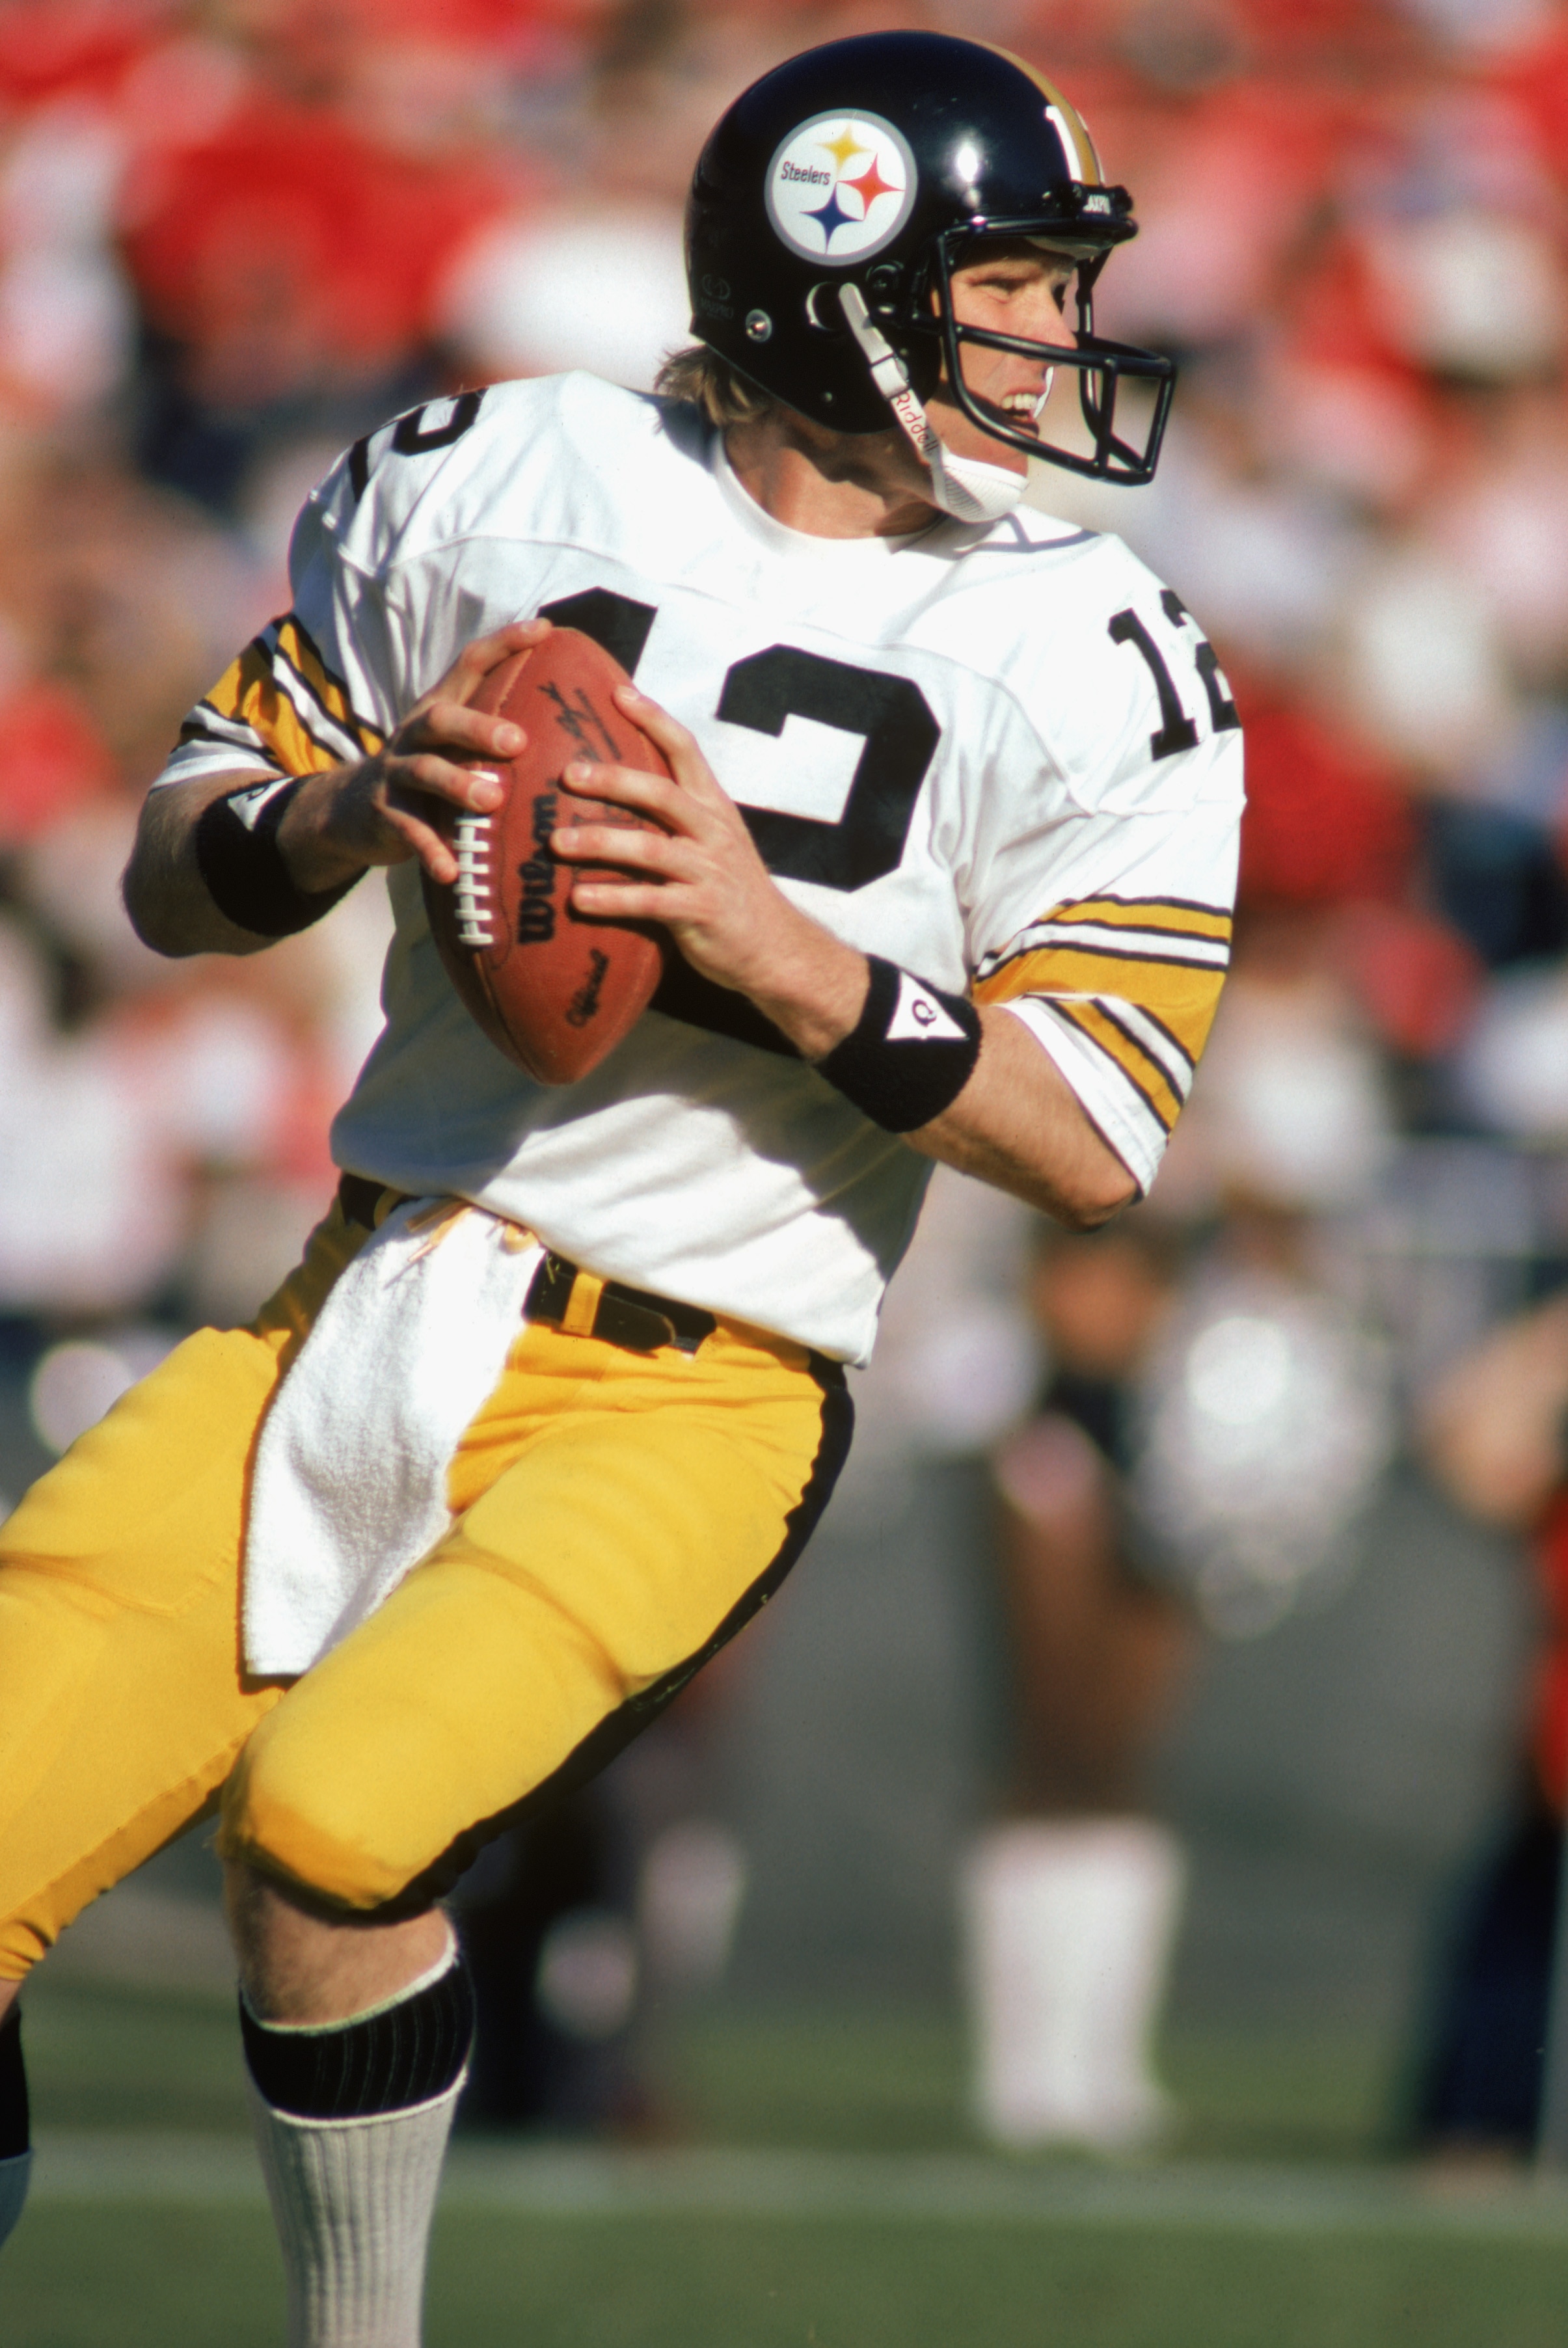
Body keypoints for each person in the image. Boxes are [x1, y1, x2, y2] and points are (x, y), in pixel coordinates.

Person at [0, 32, 1243, 2343]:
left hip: (695, 1378)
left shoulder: (1098, 649)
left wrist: (771, 944)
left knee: (343, 1827)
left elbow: (1096, 1132)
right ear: (837, 289)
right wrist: (351, 813)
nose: (1063, 337)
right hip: (347, 1299)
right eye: (1012, 286)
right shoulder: (498, 472)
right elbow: (181, 865)